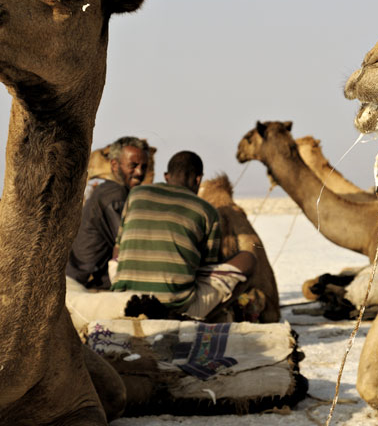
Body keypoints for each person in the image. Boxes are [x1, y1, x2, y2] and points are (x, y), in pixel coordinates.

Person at [111, 151, 255, 319]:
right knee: (248, 260)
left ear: (166, 176)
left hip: (124, 299)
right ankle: (199, 319)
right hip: (173, 307)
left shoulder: (136, 195)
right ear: (198, 179)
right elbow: (206, 269)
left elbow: (117, 251)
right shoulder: (206, 211)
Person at [67, 136, 149, 288]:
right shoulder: (114, 195)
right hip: (88, 284)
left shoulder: (110, 191)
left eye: (144, 167)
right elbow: (129, 243)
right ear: (114, 165)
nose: (139, 172)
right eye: (133, 165)